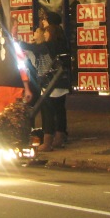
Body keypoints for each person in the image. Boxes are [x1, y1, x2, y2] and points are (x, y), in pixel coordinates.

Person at [20, 11, 71, 152]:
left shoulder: (50, 45)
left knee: (47, 111)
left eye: (45, 23)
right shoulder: (62, 41)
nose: (42, 23)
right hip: (62, 81)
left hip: (51, 82)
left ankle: (48, 141)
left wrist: (18, 42)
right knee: (60, 110)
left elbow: (36, 48)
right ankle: (60, 136)